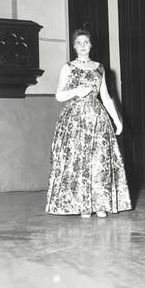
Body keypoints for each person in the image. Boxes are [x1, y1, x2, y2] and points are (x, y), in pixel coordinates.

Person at [46, 29, 132, 218]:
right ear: (74, 46)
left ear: (91, 45)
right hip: (74, 120)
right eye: (79, 42)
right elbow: (59, 95)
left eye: (86, 42)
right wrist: (77, 90)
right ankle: (82, 206)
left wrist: (117, 121)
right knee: (78, 162)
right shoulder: (67, 67)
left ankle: (100, 205)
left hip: (97, 119)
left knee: (99, 161)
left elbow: (106, 98)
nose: (83, 45)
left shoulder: (99, 68)